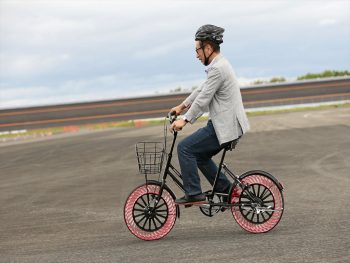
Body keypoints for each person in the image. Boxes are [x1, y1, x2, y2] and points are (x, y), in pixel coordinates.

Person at [170, 24, 250, 205]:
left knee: (185, 148)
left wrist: (185, 120)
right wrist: (182, 106)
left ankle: (193, 193)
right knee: (199, 155)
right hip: (223, 124)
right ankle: (225, 189)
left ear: (208, 48)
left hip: (225, 126)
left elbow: (204, 98)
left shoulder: (218, 68)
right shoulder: (217, 66)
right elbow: (201, 90)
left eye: (197, 50)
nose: (196, 55)